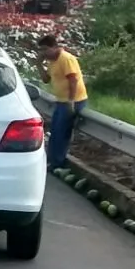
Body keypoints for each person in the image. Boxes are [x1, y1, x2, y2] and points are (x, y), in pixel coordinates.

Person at [38, 34, 88, 171]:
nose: (44, 53)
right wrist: (38, 65)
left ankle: (58, 163)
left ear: (54, 47)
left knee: (61, 132)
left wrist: (71, 101)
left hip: (73, 100)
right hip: (61, 101)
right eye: (41, 50)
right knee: (54, 131)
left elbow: (73, 80)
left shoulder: (66, 58)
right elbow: (45, 80)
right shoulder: (52, 61)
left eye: (45, 49)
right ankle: (52, 160)